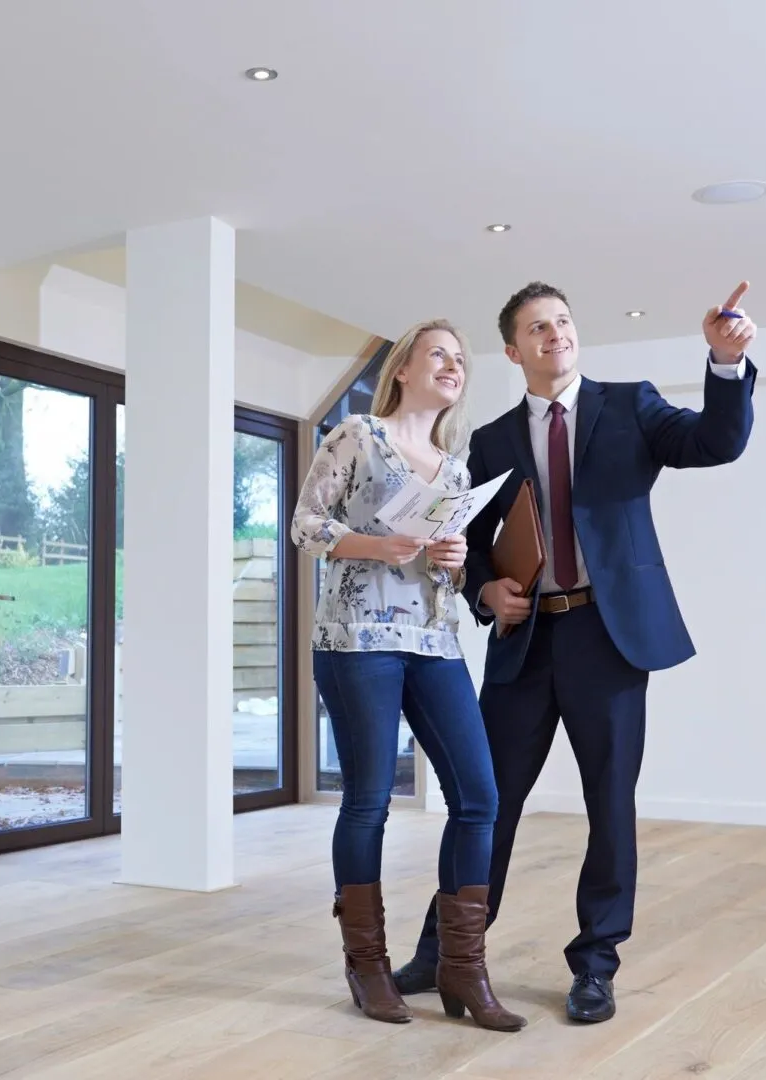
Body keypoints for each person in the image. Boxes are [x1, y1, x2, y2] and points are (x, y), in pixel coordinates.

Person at [393, 282, 758, 1024]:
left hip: (608, 636)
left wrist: (724, 365)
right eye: (536, 327)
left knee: (608, 806)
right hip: (526, 644)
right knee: (482, 805)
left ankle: (594, 965)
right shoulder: (491, 441)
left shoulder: (631, 406)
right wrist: (486, 592)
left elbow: (715, 444)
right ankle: (445, 952)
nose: (553, 334)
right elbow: (463, 546)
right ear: (512, 350)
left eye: (561, 322)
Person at [292, 318, 525, 1032]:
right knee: (367, 801)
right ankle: (367, 968)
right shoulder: (357, 434)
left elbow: (439, 574)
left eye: (460, 359)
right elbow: (305, 525)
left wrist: (452, 562)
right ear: (403, 369)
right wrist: (376, 543)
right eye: (439, 355)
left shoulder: (455, 468)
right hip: (356, 638)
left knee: (479, 798)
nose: (453, 366)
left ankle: (463, 966)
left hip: (433, 640)